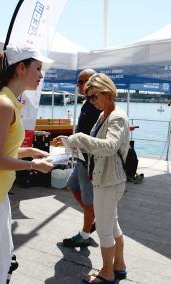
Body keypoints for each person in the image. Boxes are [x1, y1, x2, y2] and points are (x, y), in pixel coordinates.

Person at [0, 44, 54, 283]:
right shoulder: (4, 104)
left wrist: (32, 152)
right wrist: (34, 165)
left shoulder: (7, 101)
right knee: (0, 262)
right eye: (37, 68)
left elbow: (2, 151)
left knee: (5, 257)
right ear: (21, 68)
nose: (41, 74)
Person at [56, 73, 130, 283]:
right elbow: (98, 145)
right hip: (105, 178)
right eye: (88, 97)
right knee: (112, 225)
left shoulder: (116, 116)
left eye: (93, 97)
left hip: (108, 180)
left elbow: (110, 146)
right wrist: (75, 143)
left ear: (107, 93)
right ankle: (119, 266)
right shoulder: (104, 113)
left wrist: (79, 138)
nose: (91, 101)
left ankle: (107, 274)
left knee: (105, 230)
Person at [61, 69, 101, 248]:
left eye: (81, 81)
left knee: (88, 199)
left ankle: (85, 233)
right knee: (71, 185)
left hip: (88, 159)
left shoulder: (95, 105)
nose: (78, 85)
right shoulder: (87, 103)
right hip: (81, 156)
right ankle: (91, 217)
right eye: (78, 81)